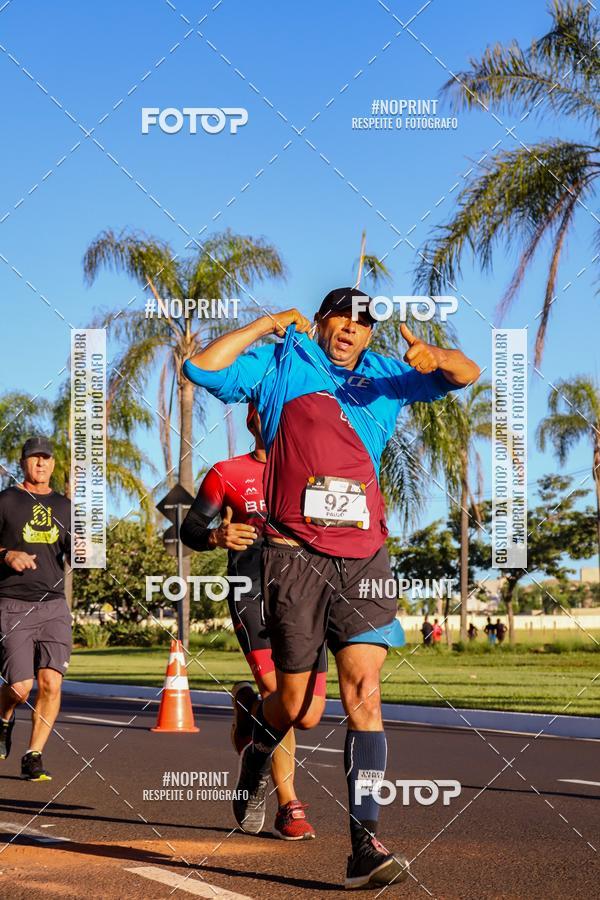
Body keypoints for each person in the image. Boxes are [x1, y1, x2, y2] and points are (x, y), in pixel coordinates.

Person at [182, 286, 480, 889]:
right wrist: (268, 324)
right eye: (340, 317)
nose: (350, 328)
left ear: (371, 335)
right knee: (296, 708)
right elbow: (199, 367)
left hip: (365, 554)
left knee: (364, 692)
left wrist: (438, 356)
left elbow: (467, 372)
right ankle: (257, 748)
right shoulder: (280, 364)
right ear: (319, 322)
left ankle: (363, 842)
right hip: (295, 559)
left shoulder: (386, 376)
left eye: (363, 322)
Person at [180, 405, 324, 840]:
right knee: (278, 692)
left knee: (306, 713)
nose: (281, 418)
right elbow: (190, 529)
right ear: (252, 421)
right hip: (251, 590)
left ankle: (251, 718)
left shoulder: (316, 470)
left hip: (305, 593)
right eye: (271, 411)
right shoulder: (227, 473)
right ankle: (289, 806)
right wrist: (216, 536)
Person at [0, 437, 72, 781]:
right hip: (12, 604)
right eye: (34, 458)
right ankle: (3, 718)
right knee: (20, 687)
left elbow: (79, 554)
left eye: (46, 458)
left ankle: (33, 755)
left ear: (53, 465)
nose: (40, 464)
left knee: (51, 683)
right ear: (23, 463)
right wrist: (6, 555)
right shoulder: (6, 500)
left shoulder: (65, 506)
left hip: (54, 606)